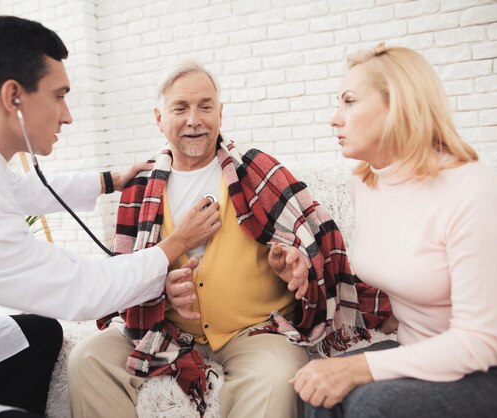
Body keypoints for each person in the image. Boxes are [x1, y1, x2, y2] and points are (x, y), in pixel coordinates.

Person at [0, 16, 221, 418]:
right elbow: (82, 290)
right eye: (59, 96)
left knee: (38, 334)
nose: (68, 116)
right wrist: (176, 243)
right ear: (14, 97)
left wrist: (108, 181)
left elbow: (18, 188)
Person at [67, 59, 388, 417]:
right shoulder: (140, 188)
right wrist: (159, 292)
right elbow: (123, 282)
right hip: (166, 338)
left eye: (205, 106)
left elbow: (315, 246)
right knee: (89, 358)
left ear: (220, 114)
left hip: (252, 334)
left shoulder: (257, 170)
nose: (194, 119)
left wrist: (299, 266)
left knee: (276, 374)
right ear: (159, 118)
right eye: (180, 108)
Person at [293, 44, 497, 418]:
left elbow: (480, 343)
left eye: (349, 101)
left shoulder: (474, 191)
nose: (335, 118)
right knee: (314, 388)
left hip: (492, 368)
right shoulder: (366, 185)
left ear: (399, 106)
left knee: (369, 405)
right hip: (417, 353)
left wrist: (359, 368)